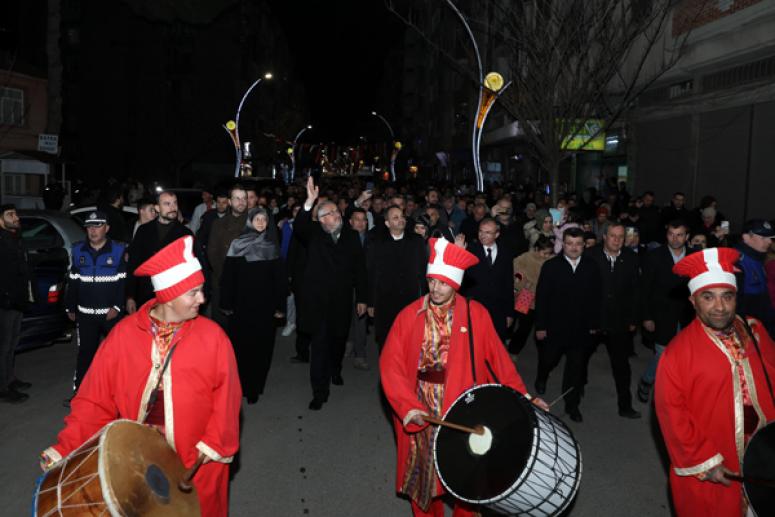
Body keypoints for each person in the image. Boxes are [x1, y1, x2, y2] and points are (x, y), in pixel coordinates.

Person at [40, 236, 242, 516]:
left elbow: (228, 398)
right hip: (136, 464)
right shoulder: (123, 336)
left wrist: (214, 443)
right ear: (169, 296)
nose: (203, 299)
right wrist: (65, 446)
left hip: (196, 464)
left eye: (202, 290)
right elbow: (94, 400)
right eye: (193, 293)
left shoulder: (214, 338)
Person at [380, 237, 548, 517]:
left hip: (463, 408)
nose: (435, 288)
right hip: (421, 406)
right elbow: (390, 366)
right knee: (424, 478)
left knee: (468, 477)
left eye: (443, 283)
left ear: (455, 283)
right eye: (432, 281)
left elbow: (500, 363)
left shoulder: (475, 315)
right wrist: (407, 406)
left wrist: (526, 398)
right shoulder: (409, 316)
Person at [655, 247, 775, 517]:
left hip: (764, 452)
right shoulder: (677, 354)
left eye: (727, 297)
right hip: (718, 462)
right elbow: (672, 415)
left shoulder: (754, 330)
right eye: (708, 297)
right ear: (693, 301)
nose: (719, 307)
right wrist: (705, 462)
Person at [294, 177, 367, 410]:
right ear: (323, 219)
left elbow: (360, 269)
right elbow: (299, 227)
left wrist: (363, 298)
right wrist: (309, 202)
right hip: (318, 302)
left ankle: (336, 369)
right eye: (331, 213)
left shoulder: (351, 236)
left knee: (337, 341)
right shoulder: (313, 233)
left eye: (337, 211)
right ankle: (319, 391)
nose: (337, 215)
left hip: (342, 300)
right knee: (319, 347)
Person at [534, 227, 602, 422]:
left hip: (581, 329)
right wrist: (540, 326)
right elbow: (542, 297)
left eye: (578, 244)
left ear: (584, 246)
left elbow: (596, 298)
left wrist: (595, 324)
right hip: (554, 327)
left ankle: (572, 405)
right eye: (570, 243)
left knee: (576, 369)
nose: (574, 248)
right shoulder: (551, 266)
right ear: (563, 244)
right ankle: (542, 375)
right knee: (549, 359)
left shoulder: (591, 266)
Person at [220, 207, 286, 404]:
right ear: (249, 221)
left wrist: (279, 307)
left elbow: (279, 282)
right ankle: (239, 385)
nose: (260, 222)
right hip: (241, 307)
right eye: (256, 219)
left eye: (263, 220)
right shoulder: (236, 245)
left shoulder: (271, 247)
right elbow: (228, 277)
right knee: (240, 348)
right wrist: (227, 303)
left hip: (264, 309)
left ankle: (255, 388)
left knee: (262, 349)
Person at [65, 211, 127, 400]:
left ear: (107, 228)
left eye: (98, 225)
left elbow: (122, 282)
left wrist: (117, 307)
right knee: (85, 355)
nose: (93, 230)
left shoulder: (118, 250)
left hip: (111, 316)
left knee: (117, 356)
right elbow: (73, 280)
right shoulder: (77, 250)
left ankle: (121, 395)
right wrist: (70, 307)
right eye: (89, 226)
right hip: (85, 315)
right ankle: (80, 394)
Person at [637, 221, 697, 402]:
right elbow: (644, 289)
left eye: (680, 234)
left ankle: (679, 390)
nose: (675, 238)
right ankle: (647, 380)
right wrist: (646, 316)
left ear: (686, 237)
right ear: (667, 235)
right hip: (661, 315)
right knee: (663, 353)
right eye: (671, 234)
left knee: (685, 356)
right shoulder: (654, 256)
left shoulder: (695, 256)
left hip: (687, 315)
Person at [586, 223, 641, 418]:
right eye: (612, 236)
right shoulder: (590, 256)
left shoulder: (631, 258)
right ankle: (573, 403)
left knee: (621, 366)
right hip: (593, 320)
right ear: (604, 237)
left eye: (620, 237)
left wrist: (633, 319)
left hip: (619, 321)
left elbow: (636, 292)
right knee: (579, 361)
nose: (616, 240)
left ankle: (625, 406)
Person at [367, 205, 428, 350]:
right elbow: (371, 273)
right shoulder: (377, 243)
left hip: (410, 301)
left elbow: (423, 272)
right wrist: (370, 302)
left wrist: (426, 298)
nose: (401, 220)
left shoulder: (416, 241)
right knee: (387, 342)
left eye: (402, 216)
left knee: (409, 342)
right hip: (385, 302)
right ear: (387, 223)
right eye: (395, 217)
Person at [126, 191, 193, 312]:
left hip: (173, 297)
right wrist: (130, 296)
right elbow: (133, 264)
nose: (173, 208)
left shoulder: (185, 234)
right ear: (157, 208)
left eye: (175, 203)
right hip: (145, 295)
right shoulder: (144, 231)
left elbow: (193, 269)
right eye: (167, 204)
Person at [0, 204, 33, 403]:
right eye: (10, 214)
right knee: (4, 346)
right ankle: (3, 388)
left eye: (16, 213)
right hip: (5, 302)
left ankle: (10, 379)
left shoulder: (15, 238)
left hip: (16, 300)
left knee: (12, 344)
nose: (16, 217)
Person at [463, 218, 515, 342]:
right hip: (474, 309)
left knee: (495, 346)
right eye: (480, 231)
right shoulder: (470, 251)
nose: (482, 235)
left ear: (497, 234)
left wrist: (509, 313)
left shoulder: (506, 253)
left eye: (487, 232)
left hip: (498, 310)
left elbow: (508, 284)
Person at [207, 186, 248, 326]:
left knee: (241, 324)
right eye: (237, 198)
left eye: (244, 198)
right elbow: (212, 252)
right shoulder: (218, 224)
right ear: (230, 202)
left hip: (245, 281)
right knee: (221, 324)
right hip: (222, 279)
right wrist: (224, 275)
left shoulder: (254, 223)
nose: (241, 202)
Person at [510, 235, 553, 356]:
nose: (546, 256)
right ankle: (513, 351)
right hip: (526, 296)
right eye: (544, 253)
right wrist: (525, 283)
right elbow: (516, 273)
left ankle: (544, 357)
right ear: (536, 249)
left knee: (541, 328)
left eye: (548, 253)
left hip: (543, 298)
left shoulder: (551, 261)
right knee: (523, 327)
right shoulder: (525, 258)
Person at [736, 219, 775, 335]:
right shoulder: (737, 262)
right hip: (749, 330)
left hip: (764, 327)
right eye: (763, 238)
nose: (769, 242)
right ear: (746, 237)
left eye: (770, 237)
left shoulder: (757, 258)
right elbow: (737, 306)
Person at [346, 208, 370, 370]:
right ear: (350, 222)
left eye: (364, 220)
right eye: (357, 219)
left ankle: (359, 354)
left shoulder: (372, 240)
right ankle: (348, 343)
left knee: (361, 319)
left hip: (364, 286)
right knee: (345, 318)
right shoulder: (343, 239)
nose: (361, 223)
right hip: (345, 285)